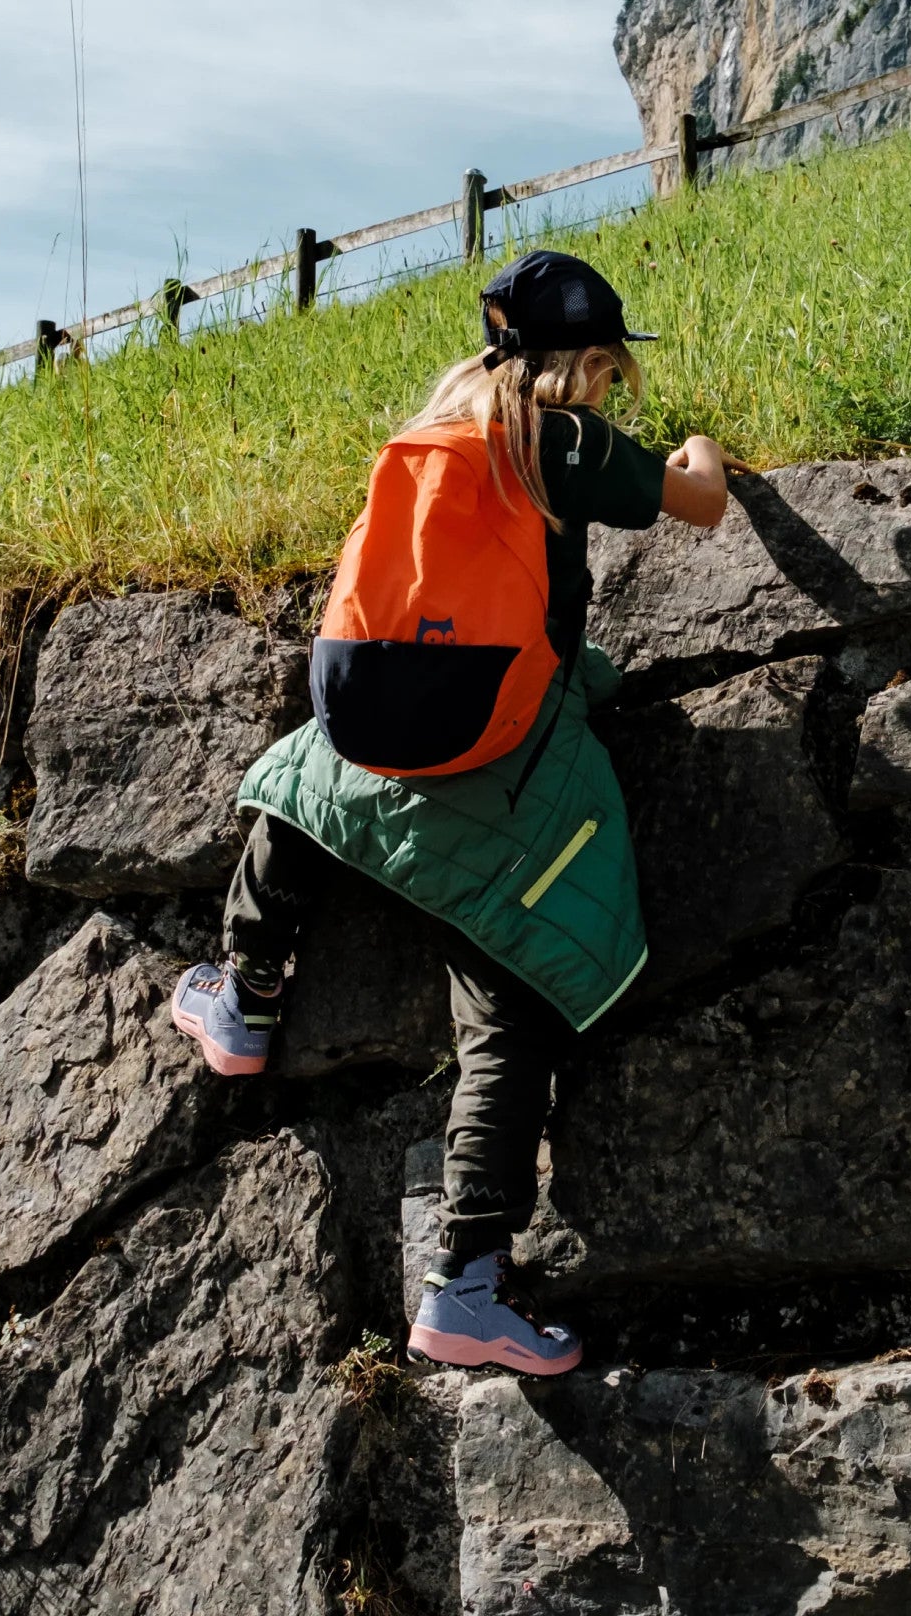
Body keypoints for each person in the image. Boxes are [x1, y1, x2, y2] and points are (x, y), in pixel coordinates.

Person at [171, 248, 730, 1376]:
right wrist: (699, 448)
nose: (612, 386)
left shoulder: (436, 426)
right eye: (611, 369)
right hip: (496, 736)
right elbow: (703, 506)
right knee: (511, 991)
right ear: (588, 363)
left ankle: (245, 996)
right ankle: (467, 1279)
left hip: (366, 721)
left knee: (295, 785)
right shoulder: (563, 441)